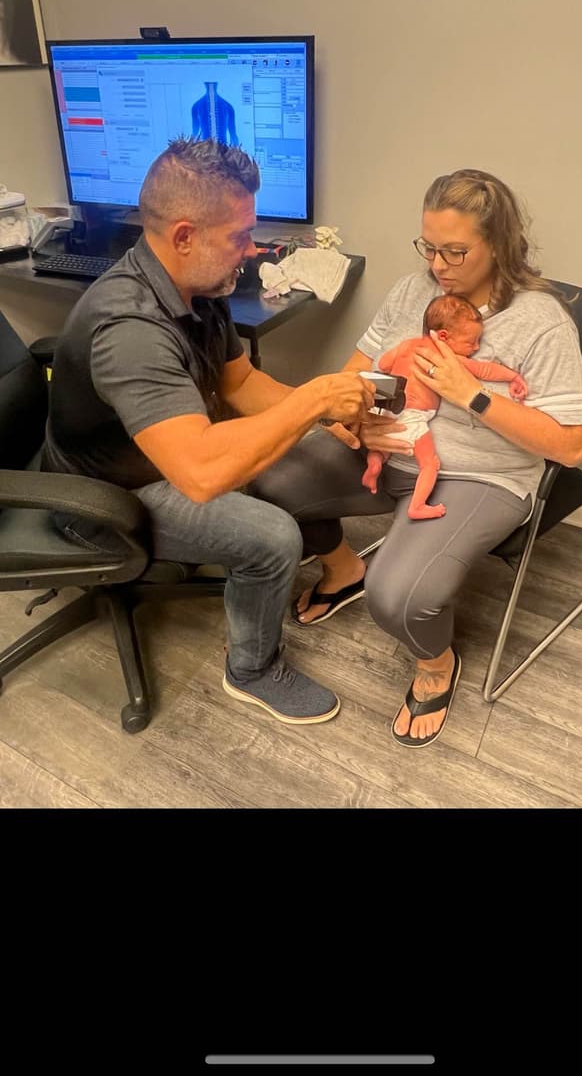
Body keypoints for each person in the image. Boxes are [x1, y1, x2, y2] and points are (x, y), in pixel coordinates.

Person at [251, 169, 582, 747]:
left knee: (399, 598)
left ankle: (436, 664)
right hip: (389, 447)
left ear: (500, 244)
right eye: (429, 248)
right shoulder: (415, 292)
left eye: (456, 251)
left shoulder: (541, 322)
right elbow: (354, 375)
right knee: (268, 476)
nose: (438, 266)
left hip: (480, 474)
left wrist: (472, 394)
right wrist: (355, 422)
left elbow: (570, 445)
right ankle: (344, 568)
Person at [42, 136, 376, 726]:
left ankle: (334, 569)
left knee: (298, 464)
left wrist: (325, 413)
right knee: (271, 537)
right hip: (105, 497)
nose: (251, 251)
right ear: (184, 236)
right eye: (239, 237)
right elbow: (199, 475)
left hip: (164, 455)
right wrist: (312, 401)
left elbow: (242, 384)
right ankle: (251, 670)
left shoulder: (197, 288)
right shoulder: (130, 328)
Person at [362, 293, 528, 519]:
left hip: (388, 409)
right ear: (443, 336)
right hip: (413, 415)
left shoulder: (408, 345)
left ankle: (374, 464)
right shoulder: (444, 355)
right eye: (471, 342)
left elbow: (383, 363)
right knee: (430, 463)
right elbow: (484, 370)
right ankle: (417, 506)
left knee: (384, 447)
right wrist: (513, 376)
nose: (476, 347)